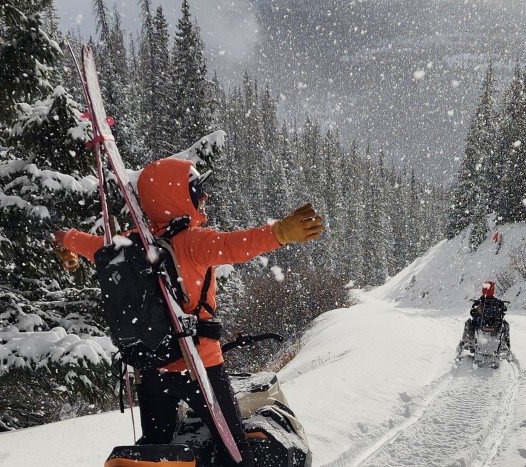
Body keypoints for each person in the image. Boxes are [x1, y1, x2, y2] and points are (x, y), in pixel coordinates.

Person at [52, 157, 324, 466]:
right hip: (199, 365)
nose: (204, 196)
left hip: (151, 369)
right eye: (196, 190)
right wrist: (280, 233)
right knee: (234, 451)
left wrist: (65, 239)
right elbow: (236, 245)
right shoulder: (192, 241)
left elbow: (94, 247)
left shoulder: (131, 244)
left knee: (157, 452)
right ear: (178, 197)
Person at [457, 281, 510, 354]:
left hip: (480, 325)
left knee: (468, 323)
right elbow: (504, 311)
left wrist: (476, 312)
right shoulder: (498, 302)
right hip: (495, 326)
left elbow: (472, 313)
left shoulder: (479, 302)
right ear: (493, 290)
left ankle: (467, 341)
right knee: (505, 325)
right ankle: (505, 344)